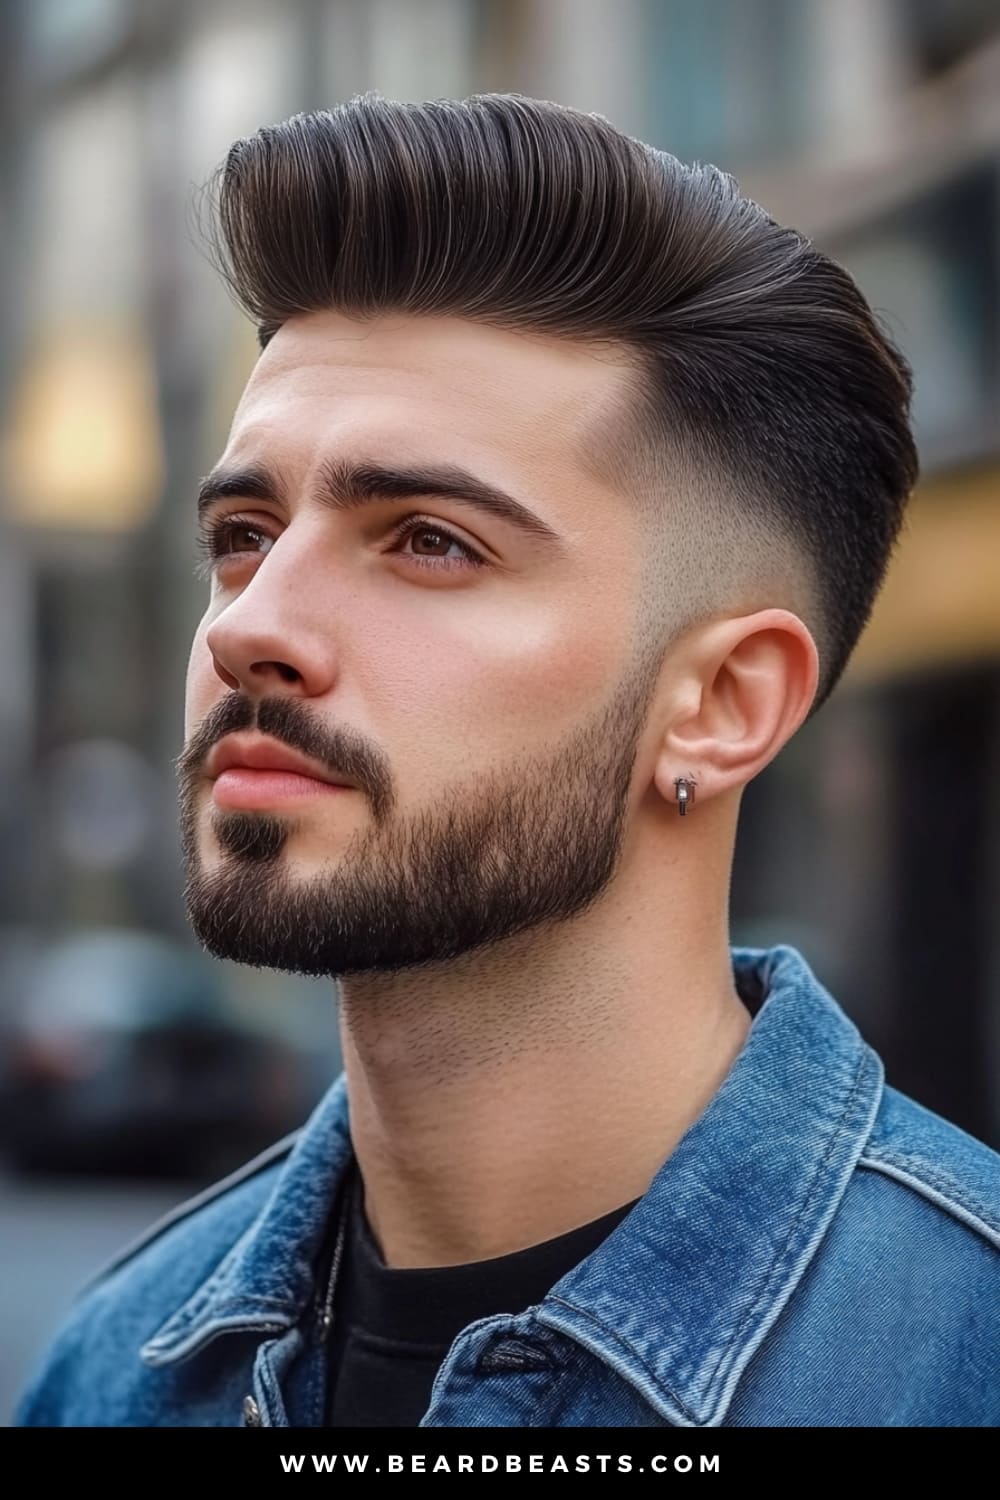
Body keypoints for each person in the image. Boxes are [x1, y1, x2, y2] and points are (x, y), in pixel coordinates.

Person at [15, 91, 999, 1430]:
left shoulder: (962, 1358)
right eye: (245, 531)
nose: (250, 625)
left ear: (718, 703)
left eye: (428, 539)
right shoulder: (117, 1371)